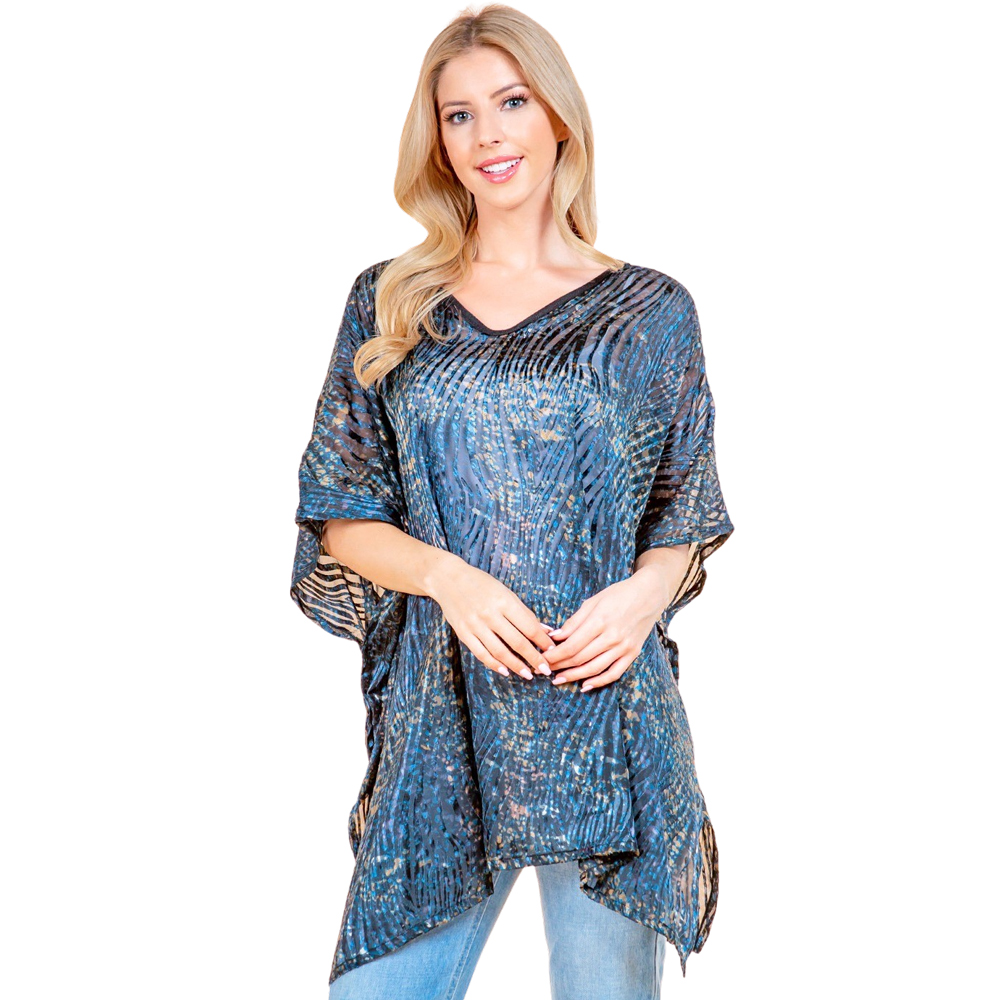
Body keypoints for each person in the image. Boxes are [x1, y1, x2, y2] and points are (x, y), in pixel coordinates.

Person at [289, 5, 736, 999]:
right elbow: (341, 513)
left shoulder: (650, 311)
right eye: (459, 115)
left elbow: (683, 508)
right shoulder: (391, 301)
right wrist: (451, 580)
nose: (488, 134)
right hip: (443, 724)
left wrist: (642, 599)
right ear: (438, 142)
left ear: (558, 116)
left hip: (603, 713)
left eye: (512, 102)